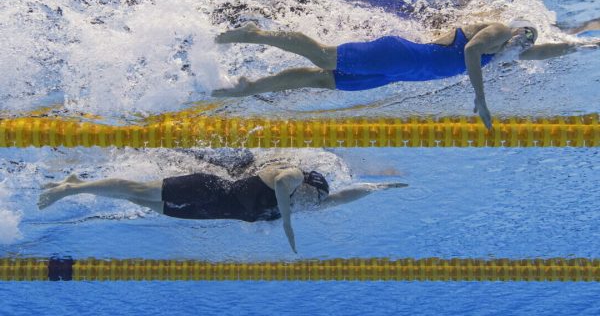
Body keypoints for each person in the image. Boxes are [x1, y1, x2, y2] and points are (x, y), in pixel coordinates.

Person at [212, 20, 600, 129]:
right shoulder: (496, 32)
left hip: (395, 76)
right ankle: (254, 34)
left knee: (320, 80)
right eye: (521, 38)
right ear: (515, 30)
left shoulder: (509, 51)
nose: (520, 46)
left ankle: (248, 89)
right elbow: (468, 49)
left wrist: (583, 44)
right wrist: (480, 98)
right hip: (395, 54)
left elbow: (550, 50)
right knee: (323, 56)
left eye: (524, 45)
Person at [38, 165, 407, 252]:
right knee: (139, 189)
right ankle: (70, 189)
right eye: (312, 197)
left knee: (139, 201)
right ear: (306, 186)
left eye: (315, 202)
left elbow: (344, 196)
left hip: (208, 211)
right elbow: (281, 184)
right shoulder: (290, 177)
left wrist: (377, 186)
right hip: (206, 187)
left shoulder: (308, 200)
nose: (315, 204)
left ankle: (76, 181)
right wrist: (289, 225)